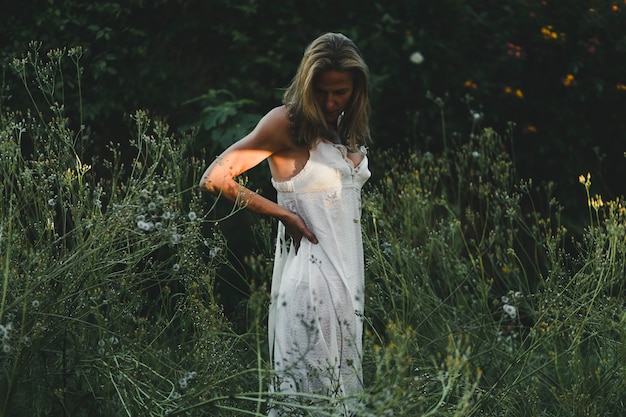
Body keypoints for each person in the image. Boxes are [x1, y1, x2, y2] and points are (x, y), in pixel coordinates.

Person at [199, 32, 371, 416]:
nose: (330, 102)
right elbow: (215, 178)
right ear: (307, 85)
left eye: (340, 92)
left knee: (339, 404)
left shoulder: (344, 127)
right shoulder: (285, 123)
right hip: (311, 288)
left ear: (356, 89)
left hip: (348, 290)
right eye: (322, 92)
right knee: (312, 406)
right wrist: (284, 213)